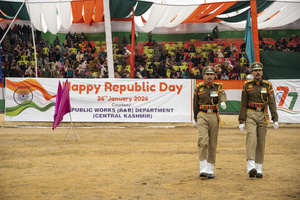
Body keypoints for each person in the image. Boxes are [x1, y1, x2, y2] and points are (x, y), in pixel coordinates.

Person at [238, 62, 279, 178]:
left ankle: (259, 166)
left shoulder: (267, 85)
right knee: (252, 138)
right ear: (252, 72)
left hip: (263, 114)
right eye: (255, 70)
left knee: (261, 142)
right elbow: (243, 104)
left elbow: (272, 102)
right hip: (250, 113)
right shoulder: (247, 85)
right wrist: (241, 120)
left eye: (259, 70)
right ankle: (251, 165)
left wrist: (275, 118)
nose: (257, 72)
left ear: (262, 72)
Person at [193, 66, 227, 179]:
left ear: (214, 76)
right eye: (207, 74)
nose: (209, 76)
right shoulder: (199, 88)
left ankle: (210, 168)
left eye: (211, 74)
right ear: (203, 76)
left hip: (214, 115)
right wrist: (196, 119)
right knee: (203, 141)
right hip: (202, 115)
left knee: (212, 143)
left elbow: (222, 95)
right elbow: (195, 104)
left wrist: (223, 102)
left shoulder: (218, 87)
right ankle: (202, 168)